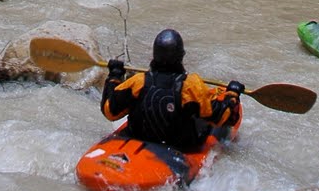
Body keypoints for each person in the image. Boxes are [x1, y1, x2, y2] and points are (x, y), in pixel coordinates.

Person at [101, 28, 244, 152]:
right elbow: (223, 117)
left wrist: (114, 76)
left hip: (139, 137)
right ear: (181, 56)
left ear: (154, 55)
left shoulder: (138, 81)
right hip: (180, 147)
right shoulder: (191, 86)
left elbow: (109, 111)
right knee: (202, 116)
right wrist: (232, 95)